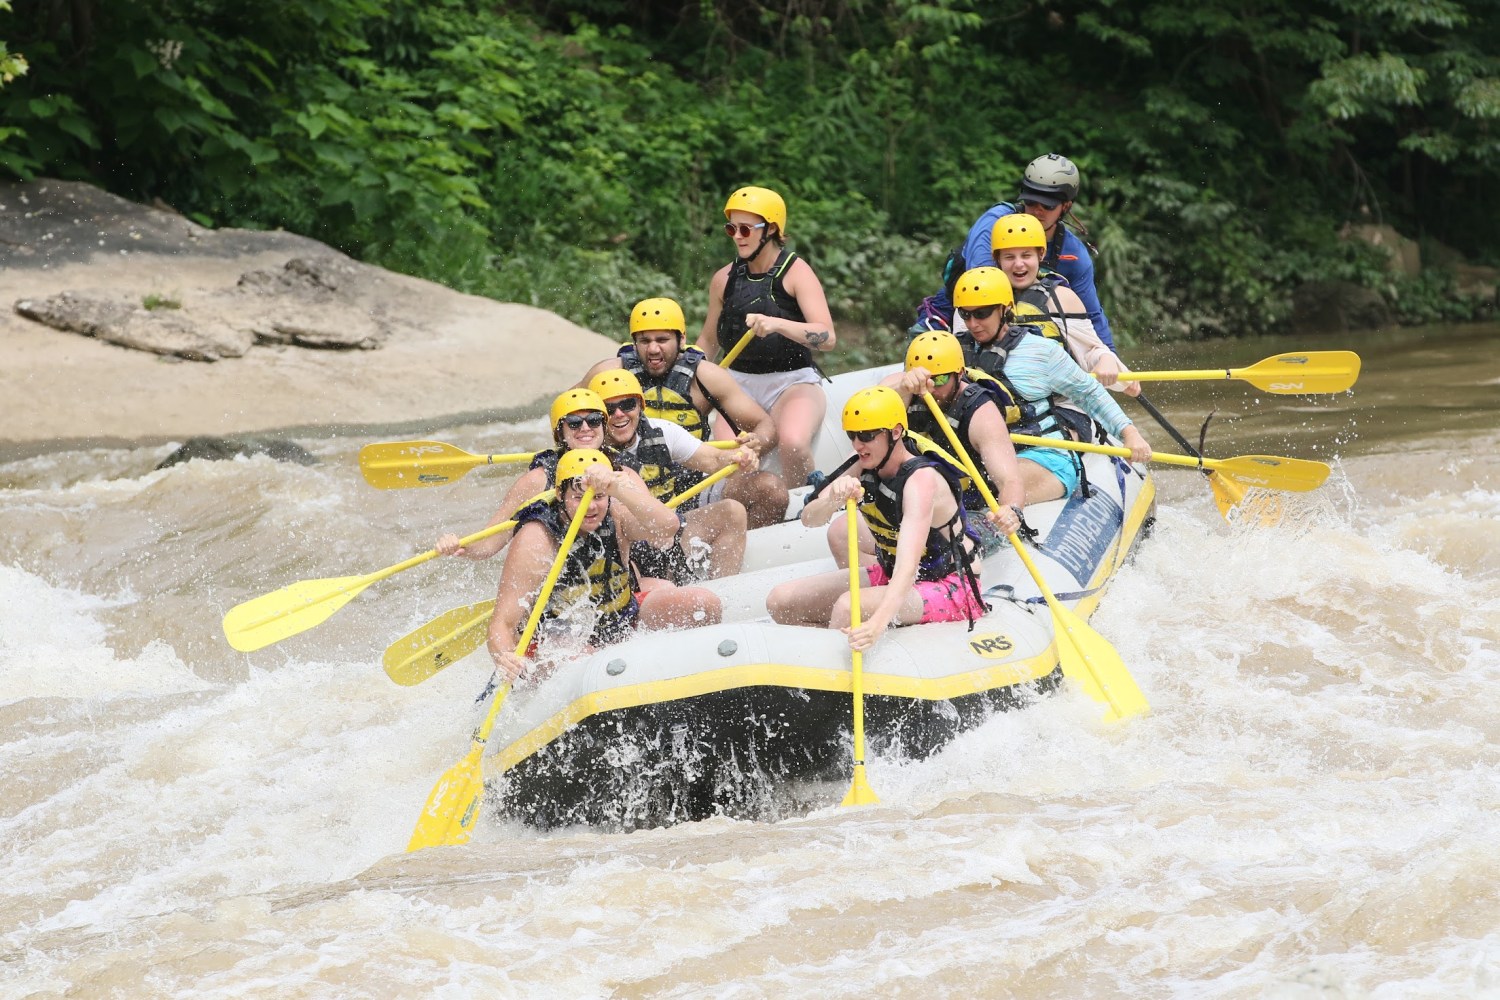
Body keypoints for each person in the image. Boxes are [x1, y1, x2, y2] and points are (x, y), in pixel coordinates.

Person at [766, 387, 987, 651]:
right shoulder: (863, 461)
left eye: (868, 435)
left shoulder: (921, 481)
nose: (859, 444)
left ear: (895, 432)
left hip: (951, 587)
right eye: (853, 435)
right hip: (892, 573)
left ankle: (834, 673)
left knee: (848, 607)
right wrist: (831, 501)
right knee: (780, 601)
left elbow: (908, 568)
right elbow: (809, 519)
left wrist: (877, 624)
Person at [488, 449, 723, 684]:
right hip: (557, 640)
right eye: (579, 498)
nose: (590, 507)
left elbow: (667, 527)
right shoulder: (537, 537)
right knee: (588, 662)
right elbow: (502, 624)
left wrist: (618, 488)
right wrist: (505, 658)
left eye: (598, 497)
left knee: (703, 603)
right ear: (560, 494)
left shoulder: (616, 514)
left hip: (623, 618)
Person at [578, 297, 790, 527]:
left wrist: (755, 443)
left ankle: (736, 545)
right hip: (623, 486)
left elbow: (764, 424)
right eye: (644, 341)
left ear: (681, 339)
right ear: (634, 343)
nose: (653, 349)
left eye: (662, 339)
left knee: (772, 490)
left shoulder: (706, 376)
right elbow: (564, 416)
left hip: (694, 481)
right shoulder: (608, 373)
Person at [949, 267, 1151, 504]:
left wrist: (1130, 434)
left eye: (981, 313)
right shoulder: (953, 351)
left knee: (988, 486)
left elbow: (1089, 393)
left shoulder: (1041, 351)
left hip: (1043, 456)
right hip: (985, 454)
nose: (972, 324)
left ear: (1005, 310)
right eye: (965, 315)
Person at [697, 185, 837, 487]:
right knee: (732, 455)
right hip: (737, 386)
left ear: (771, 229)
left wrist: (777, 324)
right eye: (731, 228)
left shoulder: (797, 272)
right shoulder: (723, 279)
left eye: (745, 229)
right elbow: (708, 342)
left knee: (793, 442)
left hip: (793, 382)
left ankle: (803, 507)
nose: (737, 236)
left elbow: (827, 336)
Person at [913, 153, 1117, 350]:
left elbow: (1092, 317)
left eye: (1047, 205)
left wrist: (1109, 357)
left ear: (1066, 206)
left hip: (1028, 323)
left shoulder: (1074, 254)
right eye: (1030, 202)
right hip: (962, 314)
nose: (1037, 210)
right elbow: (983, 288)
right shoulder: (993, 224)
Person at [587, 368, 763, 580]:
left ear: (640, 406)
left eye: (627, 405)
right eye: (609, 409)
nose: (619, 415)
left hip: (668, 527)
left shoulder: (663, 431)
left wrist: (739, 458)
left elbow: (714, 459)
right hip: (624, 542)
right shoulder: (588, 448)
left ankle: (721, 592)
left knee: (733, 512)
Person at [434, 388, 641, 561]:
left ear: (603, 427)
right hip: (559, 589)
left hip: (614, 583)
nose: (585, 428)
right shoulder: (537, 480)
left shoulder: (623, 473)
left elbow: (655, 528)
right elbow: (490, 543)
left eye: (594, 420)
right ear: (560, 432)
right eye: (575, 423)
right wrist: (459, 545)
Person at [880, 330, 1025, 550]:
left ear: (959, 373)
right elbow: (867, 411)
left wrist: (1011, 510)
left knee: (930, 541)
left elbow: (1009, 480)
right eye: (924, 379)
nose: (931, 388)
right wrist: (903, 387)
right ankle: (880, 578)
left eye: (940, 379)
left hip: (969, 510)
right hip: (916, 504)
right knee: (841, 534)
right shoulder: (902, 390)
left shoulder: (981, 412)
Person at [989, 213, 1136, 393]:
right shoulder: (979, 301)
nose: (1018, 264)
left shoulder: (1062, 298)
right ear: (998, 260)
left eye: (1026, 255)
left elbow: (1090, 352)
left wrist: (1107, 359)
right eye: (1009, 257)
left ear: (1040, 254)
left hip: (1058, 402)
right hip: (1002, 401)